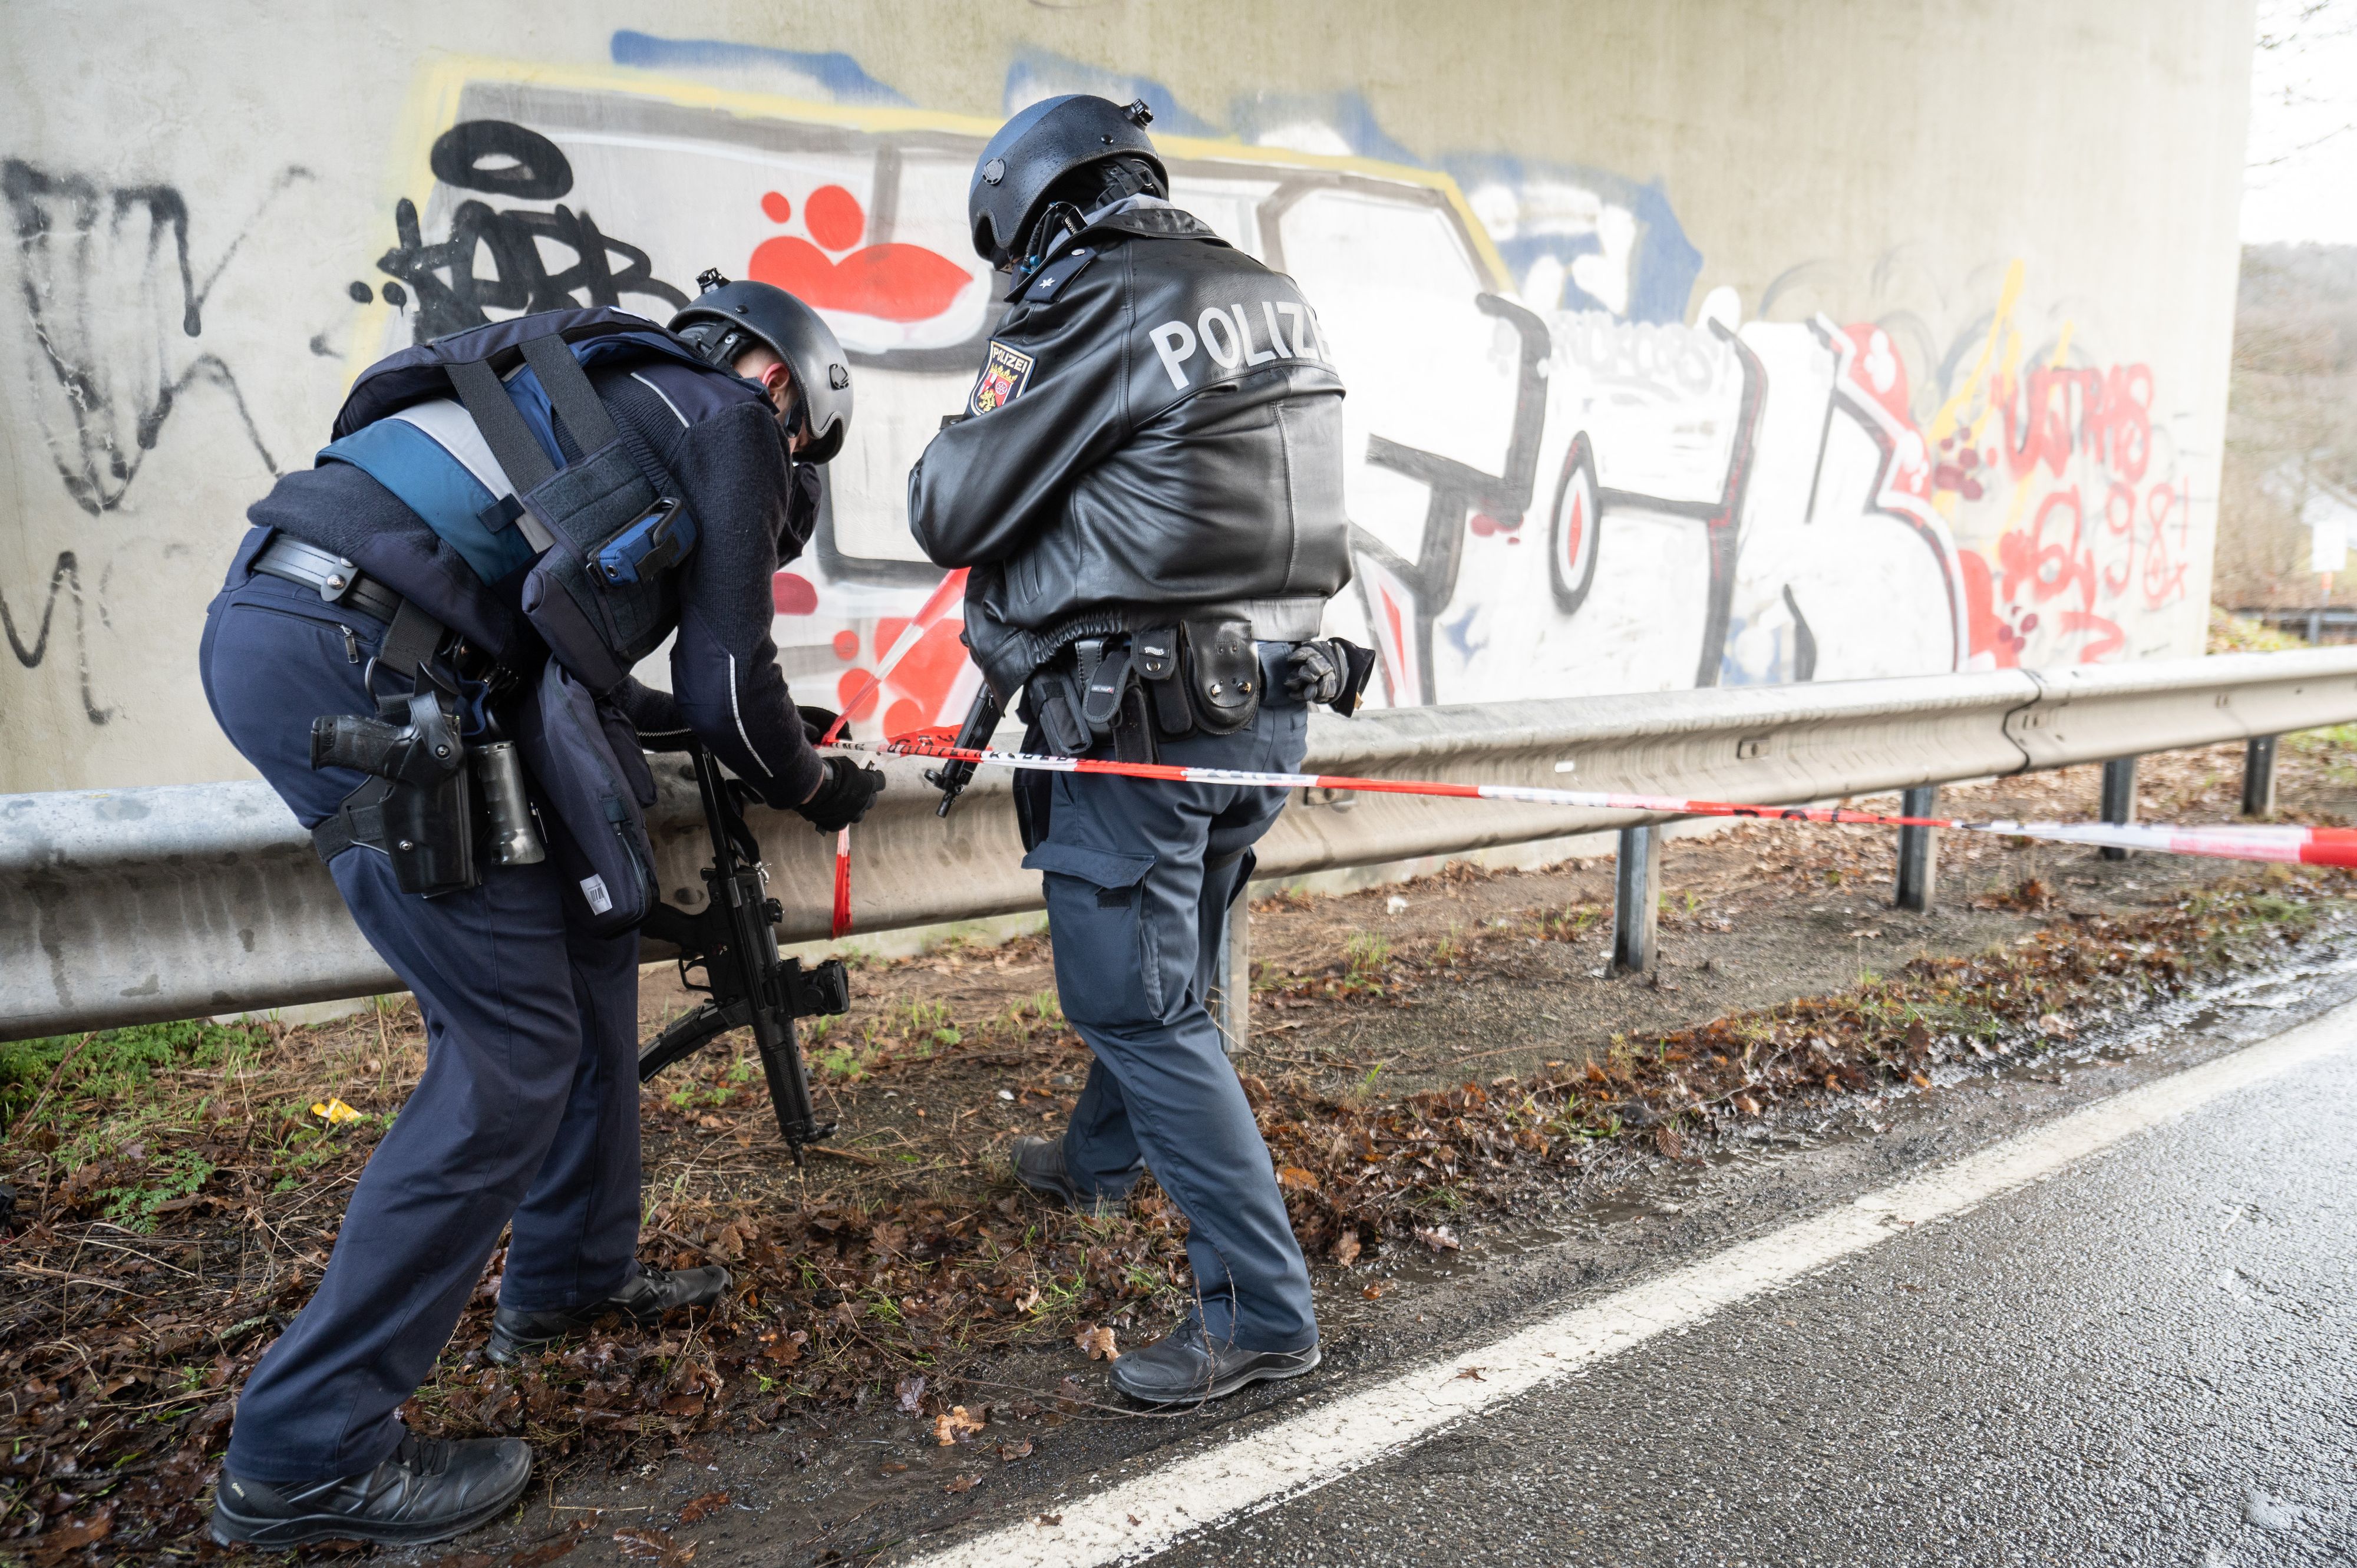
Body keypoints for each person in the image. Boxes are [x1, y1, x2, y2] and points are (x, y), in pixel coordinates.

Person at [199, 278, 883, 1549]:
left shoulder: (595, 392)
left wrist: (752, 729)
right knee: (509, 1053)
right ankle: (304, 1450)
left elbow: (611, 672)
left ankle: (568, 1276)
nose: (784, 479)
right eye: (802, 455)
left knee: (586, 943)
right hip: (362, 662)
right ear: (785, 386)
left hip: (335, 629)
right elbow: (732, 684)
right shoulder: (730, 421)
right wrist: (811, 780)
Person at [909, 95, 1369, 1405]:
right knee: (1170, 970)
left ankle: (1260, 1311)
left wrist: (1007, 350)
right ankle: (1095, 1161)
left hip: (1140, 723)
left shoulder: (1082, 301)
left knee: (1134, 1000)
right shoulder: (1267, 290)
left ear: (1031, 216)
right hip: (1267, 710)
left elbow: (947, 504)